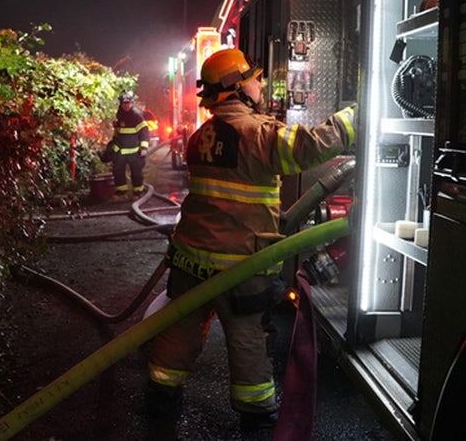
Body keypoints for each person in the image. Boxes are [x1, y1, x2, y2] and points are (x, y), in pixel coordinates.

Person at [146, 48, 355, 431]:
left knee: (177, 334)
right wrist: (354, 119)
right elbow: (311, 147)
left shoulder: (199, 136)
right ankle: (256, 419)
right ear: (236, 88)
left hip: (190, 261)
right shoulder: (258, 134)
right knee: (249, 344)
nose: (260, 84)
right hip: (242, 268)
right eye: (253, 79)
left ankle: (160, 402)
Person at [110, 91, 150, 200]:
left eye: (128, 103)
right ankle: (121, 191)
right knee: (118, 171)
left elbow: (144, 132)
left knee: (136, 172)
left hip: (134, 151)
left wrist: (143, 148)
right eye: (124, 103)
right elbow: (118, 131)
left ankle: (138, 192)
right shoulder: (120, 114)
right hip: (121, 150)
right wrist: (113, 145)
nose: (126, 106)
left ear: (132, 103)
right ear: (121, 104)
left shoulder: (136, 115)